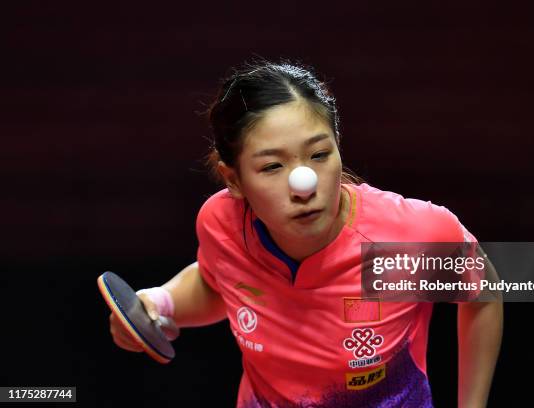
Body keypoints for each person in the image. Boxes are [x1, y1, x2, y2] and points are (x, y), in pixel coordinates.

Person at [108, 58, 503, 407]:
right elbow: (220, 287)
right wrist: (161, 302)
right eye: (271, 167)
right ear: (235, 179)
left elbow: (485, 293)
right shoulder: (223, 224)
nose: (304, 183)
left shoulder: (401, 240)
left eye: (319, 154)